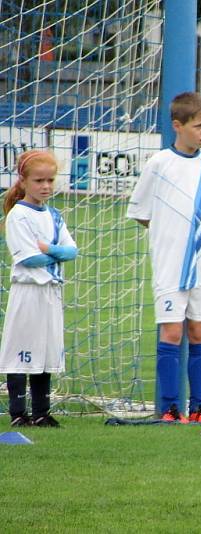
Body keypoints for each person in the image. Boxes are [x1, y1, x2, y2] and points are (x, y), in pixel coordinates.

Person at [127, 92, 201, 423]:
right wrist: (169, 234)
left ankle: (199, 407)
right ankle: (171, 408)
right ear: (178, 126)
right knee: (171, 331)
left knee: (199, 331)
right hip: (171, 264)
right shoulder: (159, 164)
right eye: (198, 126)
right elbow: (142, 212)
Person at [0, 150, 78, 427]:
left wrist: (51, 249)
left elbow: (72, 251)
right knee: (21, 350)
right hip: (28, 291)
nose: (45, 186)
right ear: (23, 181)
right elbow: (28, 258)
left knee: (46, 351)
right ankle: (18, 413)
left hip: (51, 292)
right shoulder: (18, 215)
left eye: (50, 180)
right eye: (38, 181)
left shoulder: (54, 215)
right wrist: (54, 253)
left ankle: (42, 411)